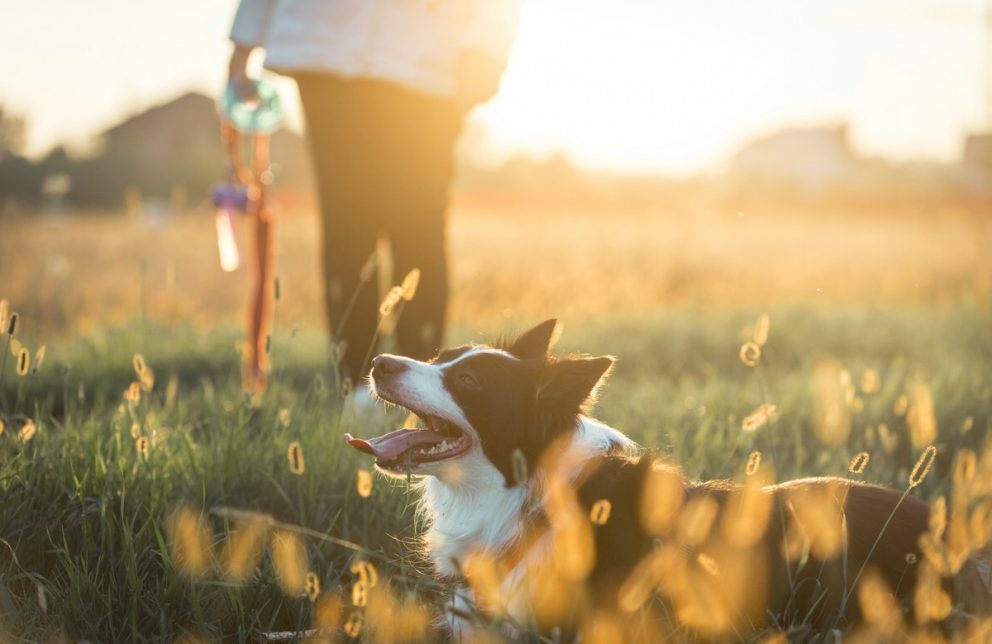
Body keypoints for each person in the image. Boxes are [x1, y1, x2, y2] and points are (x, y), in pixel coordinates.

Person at [228, 0, 521, 384]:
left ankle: (420, 388)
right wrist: (242, 46)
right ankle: (357, 388)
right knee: (347, 231)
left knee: (418, 232)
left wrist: (488, 44)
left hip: (428, 61)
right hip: (330, 50)